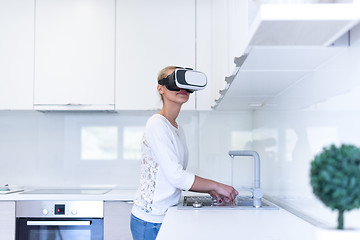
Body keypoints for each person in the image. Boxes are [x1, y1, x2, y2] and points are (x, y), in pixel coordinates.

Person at [130, 66, 238, 240]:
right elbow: (177, 177)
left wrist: (208, 190)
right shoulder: (156, 124)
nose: (182, 88)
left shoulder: (177, 129)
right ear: (160, 88)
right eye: (174, 81)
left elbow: (175, 177)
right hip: (150, 219)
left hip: (164, 215)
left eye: (185, 83)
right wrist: (215, 186)